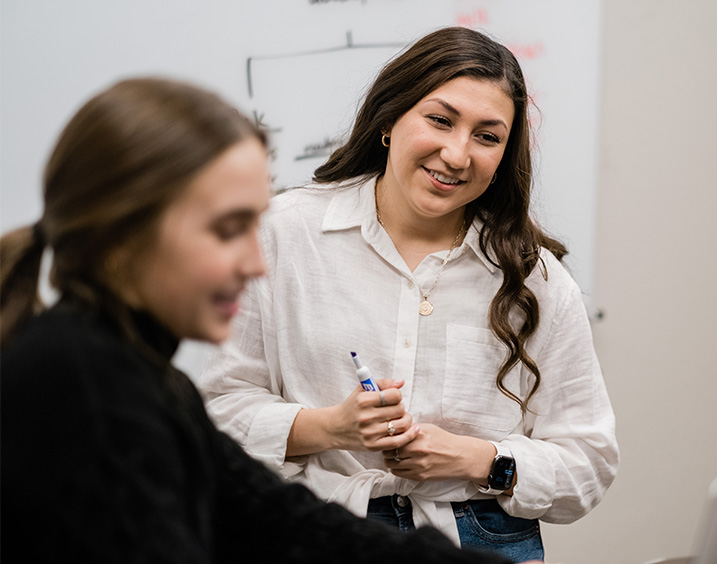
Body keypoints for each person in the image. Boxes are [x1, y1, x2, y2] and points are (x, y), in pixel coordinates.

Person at [0, 77, 524, 564]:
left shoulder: (142, 376)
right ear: (121, 239)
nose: (255, 263)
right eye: (228, 229)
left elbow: (280, 518)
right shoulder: (83, 387)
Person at [199, 26, 618, 563]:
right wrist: (329, 428)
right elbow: (219, 410)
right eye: (439, 120)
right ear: (389, 120)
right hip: (320, 526)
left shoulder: (533, 277)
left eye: (487, 137)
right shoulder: (283, 232)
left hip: (481, 537)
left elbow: (589, 462)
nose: (457, 153)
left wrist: (479, 460)